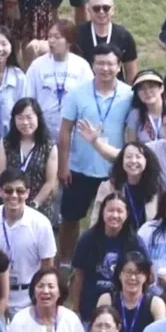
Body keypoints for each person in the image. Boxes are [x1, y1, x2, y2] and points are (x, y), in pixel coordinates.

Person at [55, 48, 133, 262]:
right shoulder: (77, 94)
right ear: (92, 66)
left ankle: (107, 261)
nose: (105, 68)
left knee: (114, 219)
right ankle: (66, 261)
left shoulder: (129, 95)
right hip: (79, 168)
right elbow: (65, 130)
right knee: (70, 218)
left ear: (119, 66)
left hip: (114, 171)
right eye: (100, 63)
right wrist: (63, 165)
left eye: (110, 64)